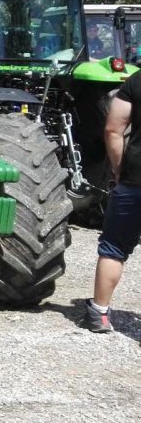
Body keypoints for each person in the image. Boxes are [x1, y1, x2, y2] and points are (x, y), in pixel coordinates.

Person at [84, 70, 141, 332]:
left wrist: (119, 170)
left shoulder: (137, 79)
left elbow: (112, 129)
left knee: (114, 248)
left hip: (135, 179)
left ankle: (100, 314)